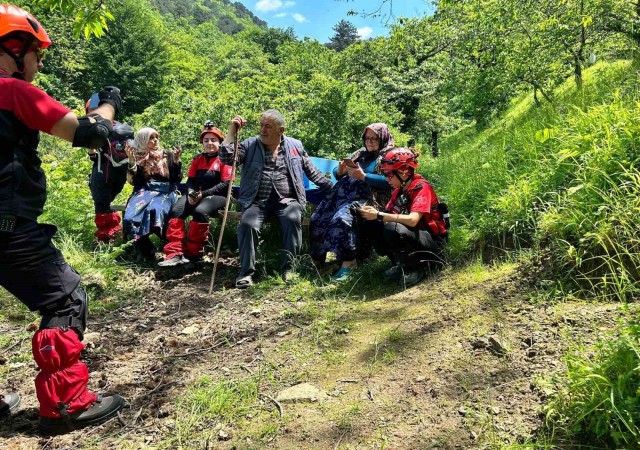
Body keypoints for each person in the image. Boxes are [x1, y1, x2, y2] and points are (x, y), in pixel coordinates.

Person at [0, 4, 124, 434]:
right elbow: (88, 132)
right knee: (65, 297)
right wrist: (107, 104)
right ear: (12, 49)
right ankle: (66, 404)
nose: (38, 63)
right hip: (6, 224)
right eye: (36, 53)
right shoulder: (12, 90)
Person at [219, 110, 333, 288]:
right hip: (256, 200)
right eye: (261, 125)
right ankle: (246, 273)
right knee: (248, 225)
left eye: (268, 126)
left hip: (287, 200)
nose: (262, 130)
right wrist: (231, 131)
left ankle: (289, 269)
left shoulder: (295, 146)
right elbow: (226, 158)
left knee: (292, 219)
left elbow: (313, 173)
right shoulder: (250, 145)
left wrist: (336, 189)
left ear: (281, 130)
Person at [309, 123, 395, 281]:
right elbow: (337, 173)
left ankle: (349, 262)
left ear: (382, 138)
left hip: (367, 198)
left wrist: (364, 177)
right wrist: (340, 170)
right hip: (341, 195)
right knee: (317, 217)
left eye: (374, 138)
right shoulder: (360, 153)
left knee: (341, 219)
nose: (369, 142)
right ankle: (317, 260)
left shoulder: (389, 156)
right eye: (367, 138)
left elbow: (390, 181)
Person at [359, 148, 448, 287]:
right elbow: (387, 214)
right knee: (372, 224)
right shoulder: (398, 191)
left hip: (432, 243)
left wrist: (379, 215)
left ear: (403, 172)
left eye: (389, 174)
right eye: (385, 174)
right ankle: (400, 263)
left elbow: (413, 220)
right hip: (415, 236)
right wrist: (373, 213)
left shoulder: (421, 187)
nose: (387, 178)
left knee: (391, 227)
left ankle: (419, 267)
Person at [159, 121, 232, 266]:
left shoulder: (225, 159)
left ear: (220, 142)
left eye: (213, 140)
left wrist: (202, 195)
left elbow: (225, 184)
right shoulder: (198, 159)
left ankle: (193, 254)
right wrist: (192, 193)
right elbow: (190, 180)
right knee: (177, 210)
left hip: (218, 196)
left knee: (200, 211)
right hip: (197, 194)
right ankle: (175, 253)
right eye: (206, 140)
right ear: (202, 143)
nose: (209, 143)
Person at [123, 128, 183, 261]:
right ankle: (147, 250)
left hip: (165, 191)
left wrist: (176, 162)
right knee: (130, 218)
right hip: (144, 192)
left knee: (155, 211)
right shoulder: (137, 155)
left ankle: (169, 245)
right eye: (151, 138)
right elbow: (133, 182)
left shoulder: (167, 154)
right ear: (143, 140)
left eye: (157, 137)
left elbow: (176, 179)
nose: (155, 140)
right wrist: (132, 162)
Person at [85, 93, 134, 244]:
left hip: (102, 173)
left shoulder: (97, 127)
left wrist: (90, 149)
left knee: (101, 205)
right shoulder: (118, 127)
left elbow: (95, 155)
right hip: (119, 175)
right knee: (106, 204)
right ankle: (114, 234)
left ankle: (107, 237)